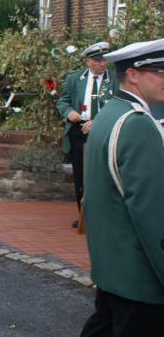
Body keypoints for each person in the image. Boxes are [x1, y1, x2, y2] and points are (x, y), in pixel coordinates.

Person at [60, 39, 164, 337]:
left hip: (112, 266)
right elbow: (152, 214)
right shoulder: (137, 125)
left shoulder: (109, 114)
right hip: (140, 275)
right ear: (133, 75)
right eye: (160, 72)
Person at [55, 42, 117, 228]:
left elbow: (118, 105)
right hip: (79, 130)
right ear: (88, 61)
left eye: (104, 59)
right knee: (81, 174)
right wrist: (69, 112)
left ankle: (104, 215)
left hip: (104, 131)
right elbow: (63, 101)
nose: (102, 64)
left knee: (104, 173)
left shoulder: (115, 79)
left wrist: (98, 122)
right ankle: (84, 215)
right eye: (98, 60)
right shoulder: (75, 78)